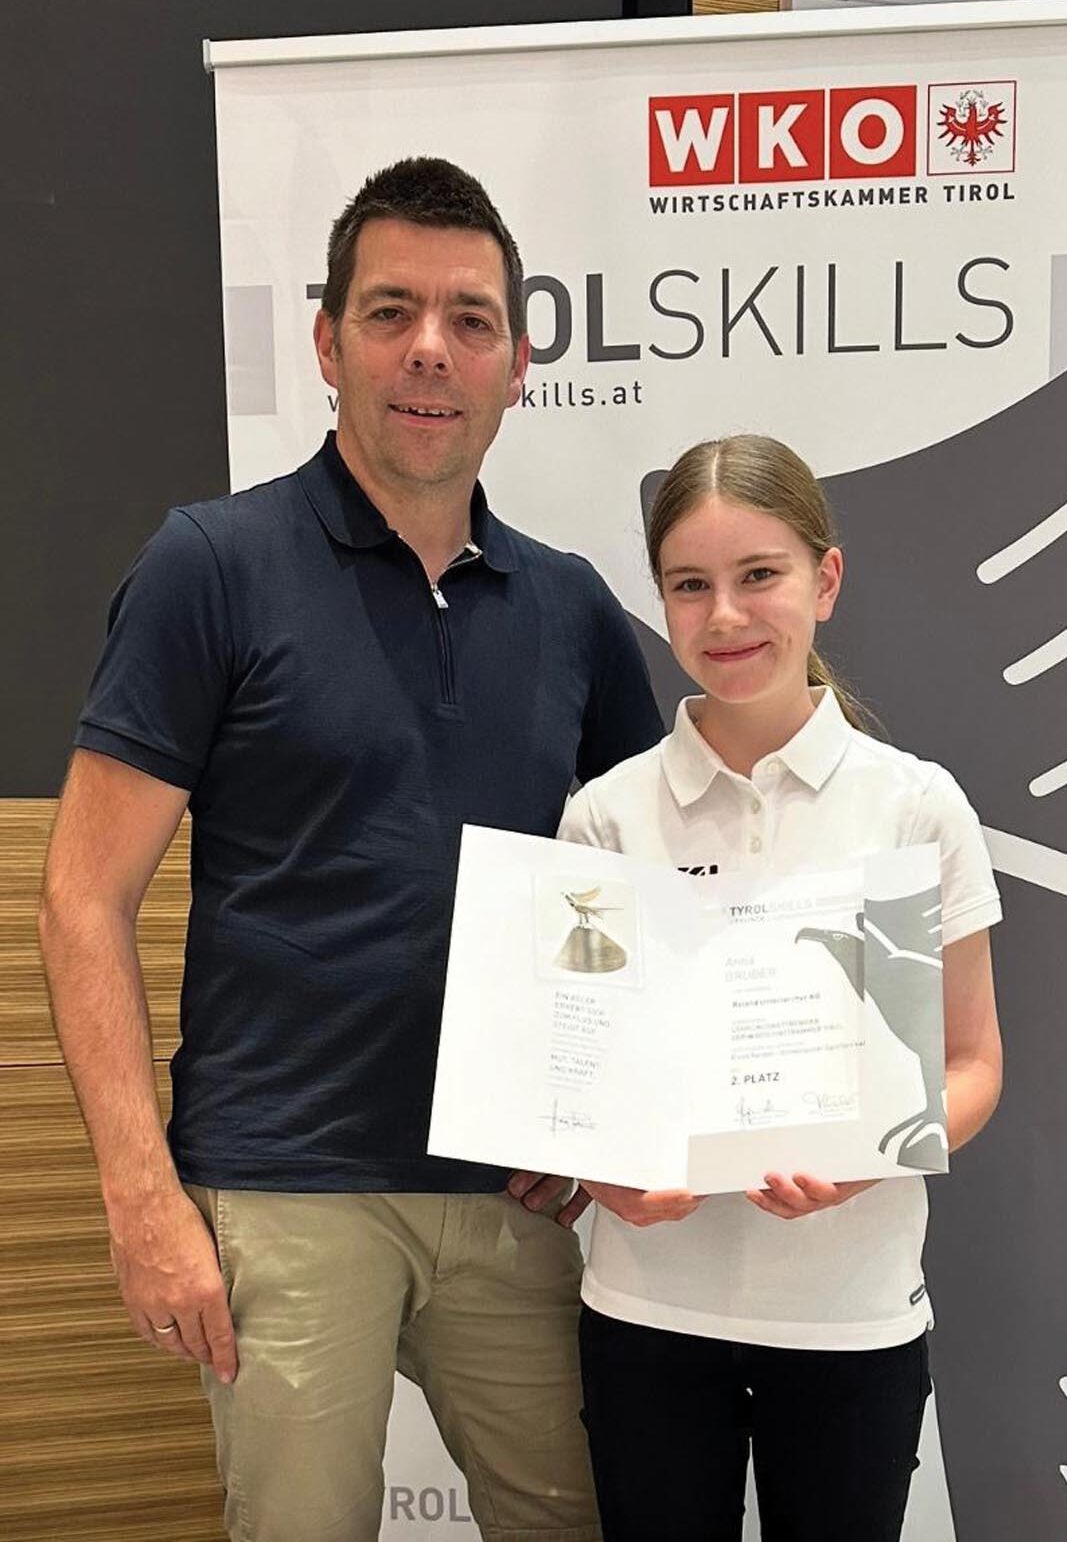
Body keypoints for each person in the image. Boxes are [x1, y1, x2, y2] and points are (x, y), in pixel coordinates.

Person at [38, 156, 663, 1542]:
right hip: (284, 1184)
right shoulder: (211, 565)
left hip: (512, 1202)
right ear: (327, 344)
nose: (429, 348)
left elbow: (645, 889)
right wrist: (141, 1197)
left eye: (469, 318)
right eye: (390, 312)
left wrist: (600, 1117)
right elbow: (82, 897)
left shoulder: (572, 610)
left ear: (516, 365)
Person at [551, 434, 1003, 1542]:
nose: (724, 616)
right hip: (647, 1309)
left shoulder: (915, 805)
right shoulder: (604, 815)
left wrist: (872, 1153)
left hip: (850, 1316)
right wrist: (602, 1173)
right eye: (687, 584)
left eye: (759, 574)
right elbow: (572, 1078)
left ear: (824, 579)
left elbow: (971, 1063)